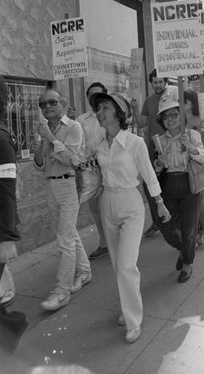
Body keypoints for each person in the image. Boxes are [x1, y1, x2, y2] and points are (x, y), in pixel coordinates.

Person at [89, 92, 170, 344]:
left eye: (104, 107)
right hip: (107, 203)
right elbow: (93, 171)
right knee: (117, 265)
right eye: (98, 108)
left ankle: (134, 320)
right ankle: (127, 308)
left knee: (126, 265)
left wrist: (160, 204)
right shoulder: (99, 143)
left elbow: (148, 175)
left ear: (118, 113)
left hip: (131, 204)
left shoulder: (135, 143)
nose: (99, 112)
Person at [30, 89, 91, 311]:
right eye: (42, 104)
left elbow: (73, 160)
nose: (47, 107)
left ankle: (62, 291)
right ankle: (84, 271)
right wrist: (37, 154)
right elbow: (42, 165)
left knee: (64, 238)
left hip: (68, 184)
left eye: (52, 102)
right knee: (69, 232)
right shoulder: (45, 130)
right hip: (51, 185)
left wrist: (50, 138)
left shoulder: (73, 127)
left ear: (62, 104)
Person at [154, 97, 204, 283]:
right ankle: (184, 250)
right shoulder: (159, 140)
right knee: (166, 227)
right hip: (168, 185)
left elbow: (202, 157)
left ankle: (187, 263)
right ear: (162, 120)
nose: (170, 119)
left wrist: (190, 147)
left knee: (189, 229)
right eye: (166, 116)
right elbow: (156, 169)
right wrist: (159, 161)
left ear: (180, 116)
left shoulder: (192, 135)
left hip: (190, 184)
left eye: (174, 115)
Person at [0, 78, 28, 354]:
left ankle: (11, 327)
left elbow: (7, 188)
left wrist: (7, 236)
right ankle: (11, 326)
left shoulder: (1, 138)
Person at [131, 69, 176, 238]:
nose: (157, 85)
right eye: (154, 82)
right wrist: (135, 109)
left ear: (165, 82)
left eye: (160, 82)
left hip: (171, 146)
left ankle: (172, 219)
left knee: (170, 183)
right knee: (148, 184)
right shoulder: (149, 101)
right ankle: (157, 221)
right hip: (153, 148)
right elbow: (142, 122)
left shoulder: (172, 97)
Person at [76, 82, 108, 260]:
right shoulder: (81, 120)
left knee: (111, 207)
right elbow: (79, 145)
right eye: (90, 95)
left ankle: (117, 243)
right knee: (96, 209)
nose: (94, 98)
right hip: (90, 169)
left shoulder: (110, 116)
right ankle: (104, 243)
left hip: (110, 168)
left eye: (98, 94)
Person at [183, 90, 204, 249]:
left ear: (192, 103)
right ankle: (198, 233)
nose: (182, 104)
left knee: (198, 202)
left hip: (199, 165)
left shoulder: (202, 119)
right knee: (190, 202)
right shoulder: (178, 120)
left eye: (185, 101)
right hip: (182, 166)